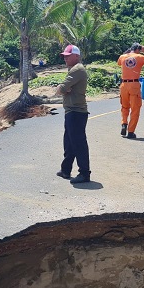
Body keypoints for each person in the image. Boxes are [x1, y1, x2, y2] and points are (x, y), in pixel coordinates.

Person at [55, 44, 91, 184]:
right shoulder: (74, 69)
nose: (65, 58)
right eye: (64, 56)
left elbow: (62, 88)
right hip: (72, 111)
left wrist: (63, 88)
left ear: (76, 56)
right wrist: (64, 89)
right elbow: (64, 89)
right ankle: (66, 170)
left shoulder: (77, 69)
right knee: (69, 143)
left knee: (78, 143)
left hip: (76, 112)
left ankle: (84, 173)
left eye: (68, 56)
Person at [117, 43, 144, 139]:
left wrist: (128, 52)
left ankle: (124, 123)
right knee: (135, 109)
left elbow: (118, 63)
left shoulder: (122, 57)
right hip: (134, 85)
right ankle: (130, 132)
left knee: (124, 107)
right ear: (138, 49)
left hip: (123, 85)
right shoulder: (140, 56)